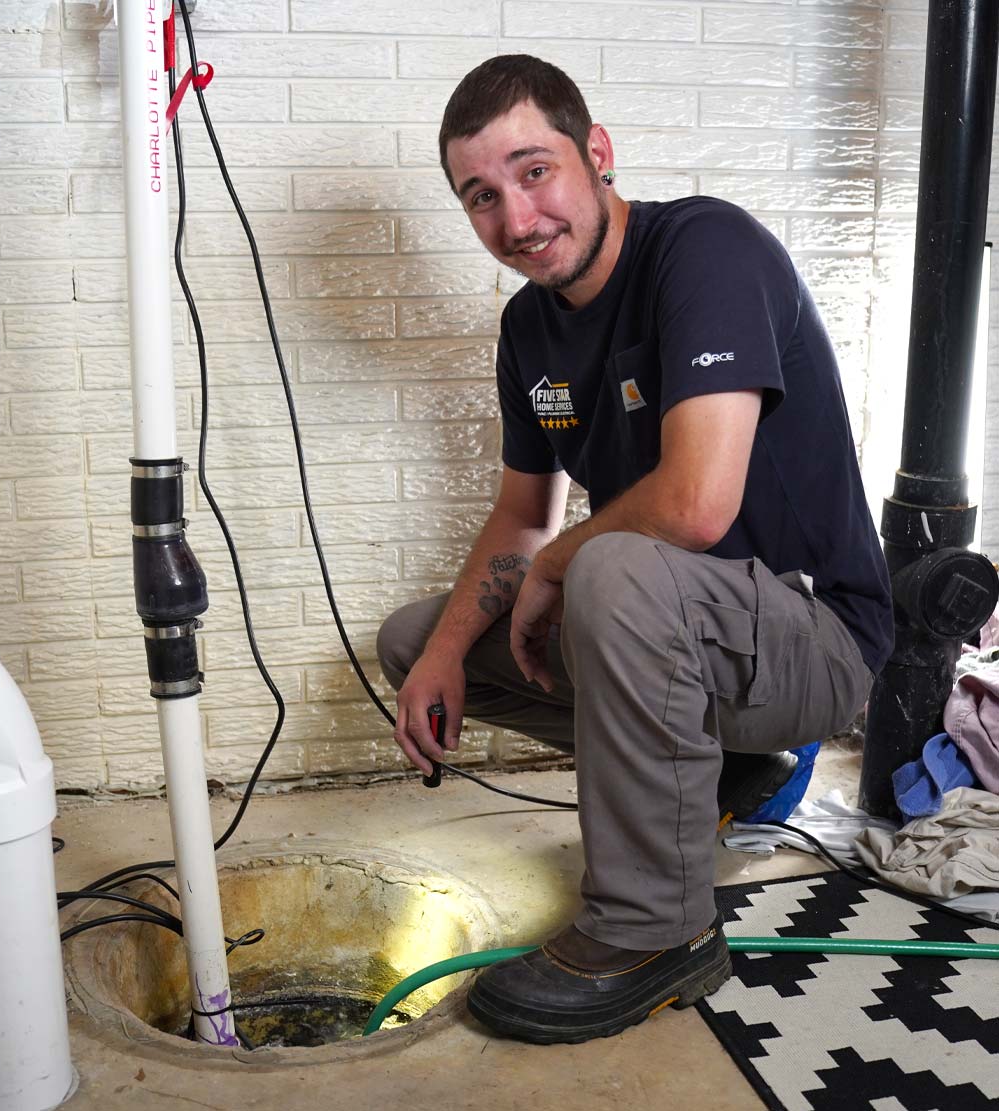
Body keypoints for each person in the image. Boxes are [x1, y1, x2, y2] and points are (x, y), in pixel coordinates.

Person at [376, 54, 893, 1045]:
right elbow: (525, 514)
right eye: (480, 197)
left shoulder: (703, 249)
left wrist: (562, 562)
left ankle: (656, 932)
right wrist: (446, 651)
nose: (516, 221)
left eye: (534, 173)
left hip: (814, 639)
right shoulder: (529, 329)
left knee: (606, 566)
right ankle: (714, 772)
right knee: (416, 639)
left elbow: (697, 505)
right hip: (675, 630)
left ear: (596, 154)